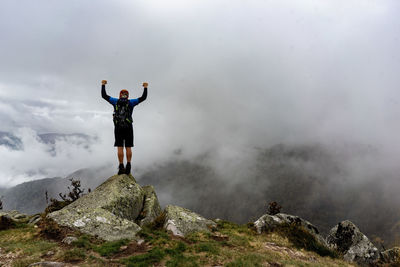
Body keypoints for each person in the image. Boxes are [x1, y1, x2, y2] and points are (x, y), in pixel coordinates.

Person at [101, 80, 148, 175]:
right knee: (128, 147)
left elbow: (104, 96)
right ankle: (129, 166)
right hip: (128, 127)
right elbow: (143, 98)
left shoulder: (115, 101)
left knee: (119, 147)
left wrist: (103, 85)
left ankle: (121, 166)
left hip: (118, 127)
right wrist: (145, 87)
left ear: (120, 95)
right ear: (128, 95)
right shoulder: (131, 102)